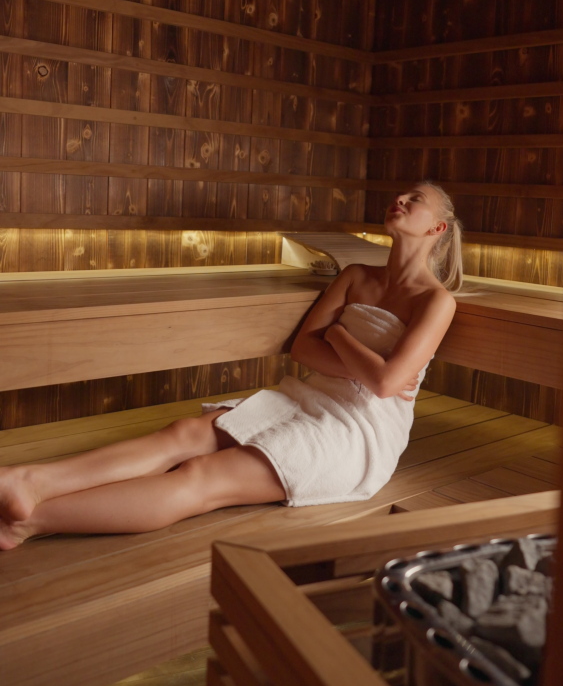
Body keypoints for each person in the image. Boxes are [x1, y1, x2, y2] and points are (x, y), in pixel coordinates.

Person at [0, 181, 462, 550]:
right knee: (182, 434)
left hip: (355, 431)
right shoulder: (356, 274)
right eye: (400, 194)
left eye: (414, 199)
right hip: (306, 394)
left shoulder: (435, 301)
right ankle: (30, 481)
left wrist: (338, 335)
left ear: (436, 229)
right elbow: (304, 349)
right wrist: (367, 364)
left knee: (201, 477)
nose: (398, 199)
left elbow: (382, 387)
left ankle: (31, 522)